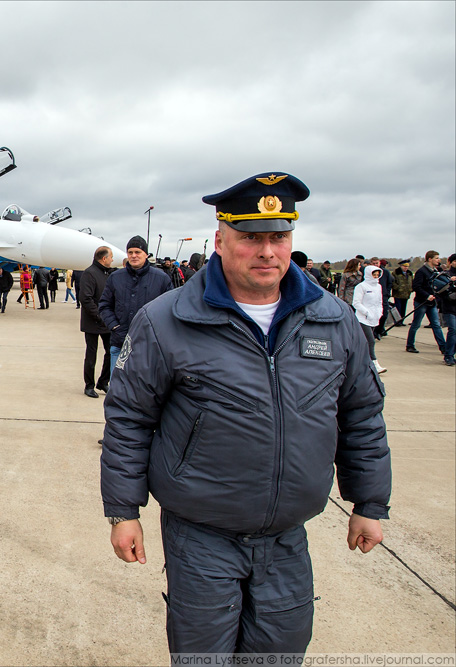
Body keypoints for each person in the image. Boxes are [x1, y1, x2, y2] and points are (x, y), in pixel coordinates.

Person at [102, 172, 390, 657]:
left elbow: (361, 415)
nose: (267, 252)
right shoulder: (166, 320)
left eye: (278, 237)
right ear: (220, 241)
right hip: (201, 535)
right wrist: (123, 511)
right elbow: (129, 420)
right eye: (251, 237)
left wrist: (369, 503)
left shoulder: (333, 319)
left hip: (287, 537)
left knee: (280, 651)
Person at [98, 235, 171, 379]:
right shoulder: (115, 277)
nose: (133, 255)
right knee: (117, 387)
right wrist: (115, 327)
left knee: (146, 387)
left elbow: (169, 310)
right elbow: (105, 305)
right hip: (120, 343)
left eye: (137, 252)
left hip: (149, 346)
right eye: (130, 252)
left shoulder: (161, 279)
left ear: (145, 254)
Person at [79, 246, 114, 397]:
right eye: (111, 257)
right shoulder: (90, 273)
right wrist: (100, 316)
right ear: (104, 258)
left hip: (106, 322)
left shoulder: (107, 273)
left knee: (111, 352)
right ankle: (89, 385)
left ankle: (103, 382)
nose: (112, 259)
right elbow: (85, 298)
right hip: (93, 322)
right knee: (91, 354)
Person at [406, 250, 447, 354]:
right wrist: (427, 296)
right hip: (421, 302)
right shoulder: (421, 271)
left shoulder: (435, 271)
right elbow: (416, 286)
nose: (438, 260)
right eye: (436, 258)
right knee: (416, 324)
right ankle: (410, 345)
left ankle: (443, 347)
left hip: (432, 303)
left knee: (436, 325)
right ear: (429, 259)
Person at [354, 265, 387, 373]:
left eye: (377, 275)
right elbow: (356, 303)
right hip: (363, 318)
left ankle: (361, 363)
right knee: (371, 341)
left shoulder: (378, 287)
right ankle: (374, 363)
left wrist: (379, 313)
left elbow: (379, 301)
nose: (376, 277)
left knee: (364, 342)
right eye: (374, 274)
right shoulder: (361, 286)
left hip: (374, 318)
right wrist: (366, 312)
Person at [437, 253, 456, 366]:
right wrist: (450, 282)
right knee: (453, 330)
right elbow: (439, 292)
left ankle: (452, 354)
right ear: (450, 262)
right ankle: (448, 355)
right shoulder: (445, 275)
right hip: (449, 307)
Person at [373, 259, 394, 339]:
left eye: (377, 263)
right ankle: (374, 331)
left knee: (384, 314)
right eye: (374, 263)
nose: (375, 265)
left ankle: (379, 329)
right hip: (373, 296)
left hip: (383, 296)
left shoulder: (385, 272)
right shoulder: (369, 272)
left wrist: (387, 292)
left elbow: (390, 282)